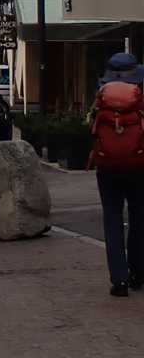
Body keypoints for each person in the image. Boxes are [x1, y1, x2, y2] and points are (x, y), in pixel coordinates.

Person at [92, 52, 144, 297]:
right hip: (139, 165)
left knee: (112, 220)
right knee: (138, 218)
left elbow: (92, 129)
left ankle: (119, 281)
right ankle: (138, 273)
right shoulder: (140, 95)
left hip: (107, 166)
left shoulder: (101, 96)